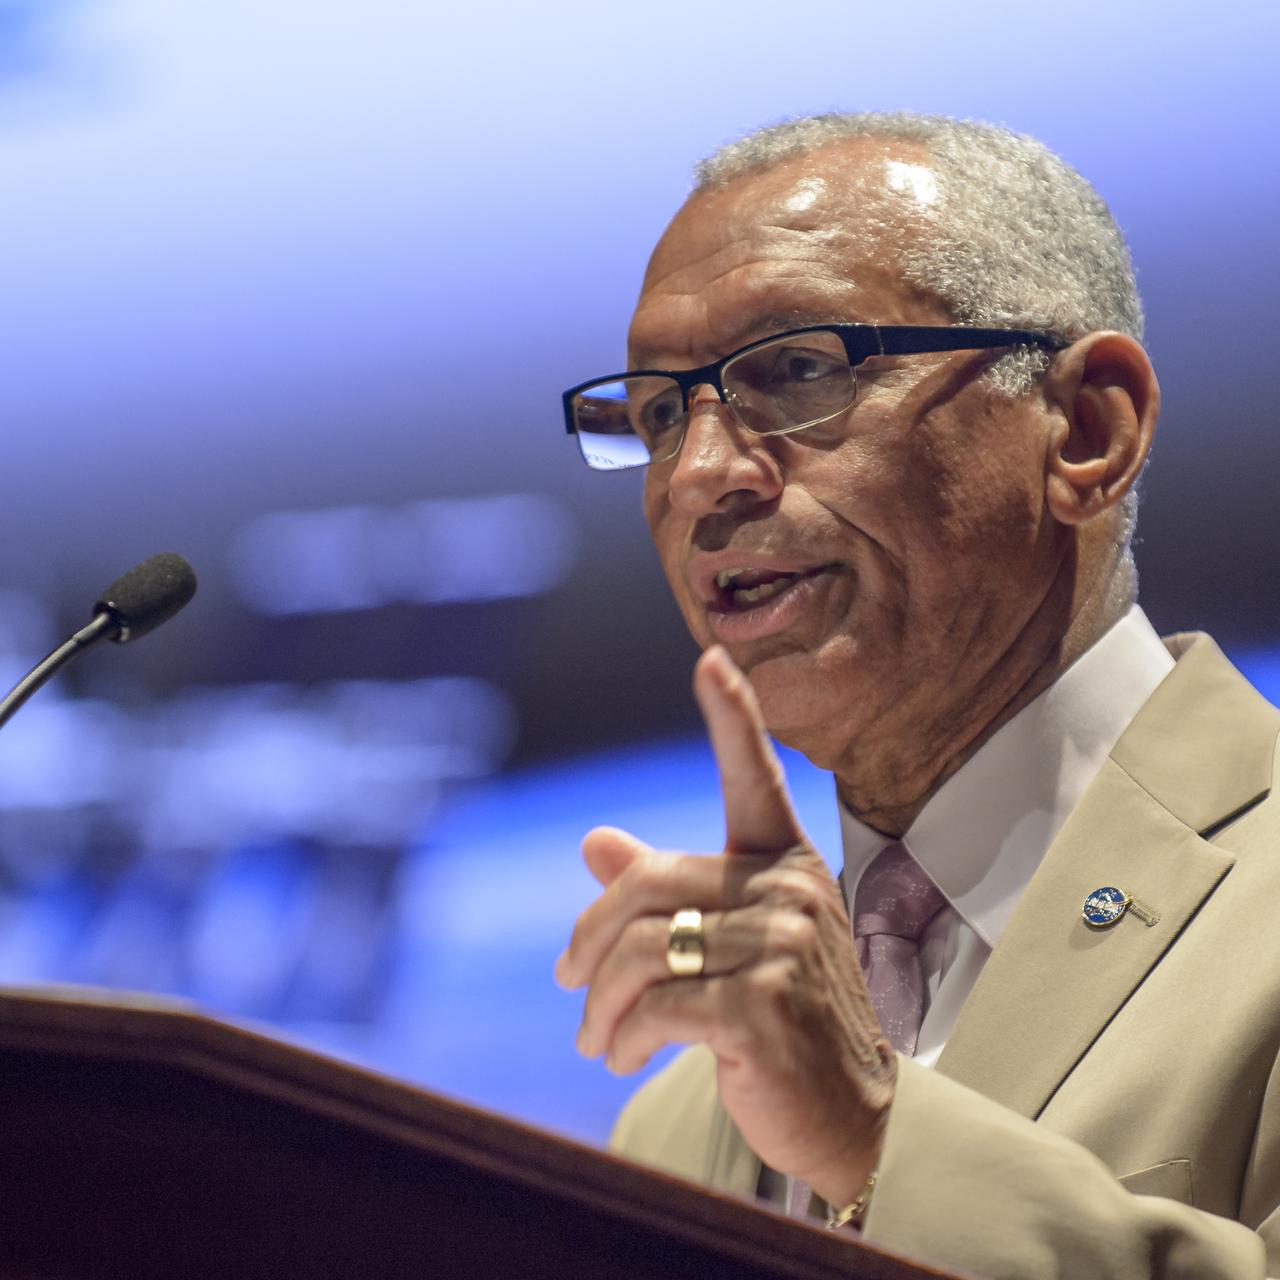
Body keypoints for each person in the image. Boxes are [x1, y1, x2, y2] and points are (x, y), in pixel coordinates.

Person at [554, 112, 1280, 1279]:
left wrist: (877, 1136)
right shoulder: (685, 1117)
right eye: (654, 413)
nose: (696, 476)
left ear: (1086, 429)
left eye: (794, 371)